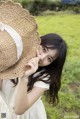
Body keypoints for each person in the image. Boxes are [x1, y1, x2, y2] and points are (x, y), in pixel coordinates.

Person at [0, 33, 67, 119]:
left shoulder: (44, 76)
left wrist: (25, 77)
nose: (42, 57)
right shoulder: (15, 58)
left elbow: (19, 110)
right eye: (44, 49)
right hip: (4, 111)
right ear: (37, 42)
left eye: (49, 58)